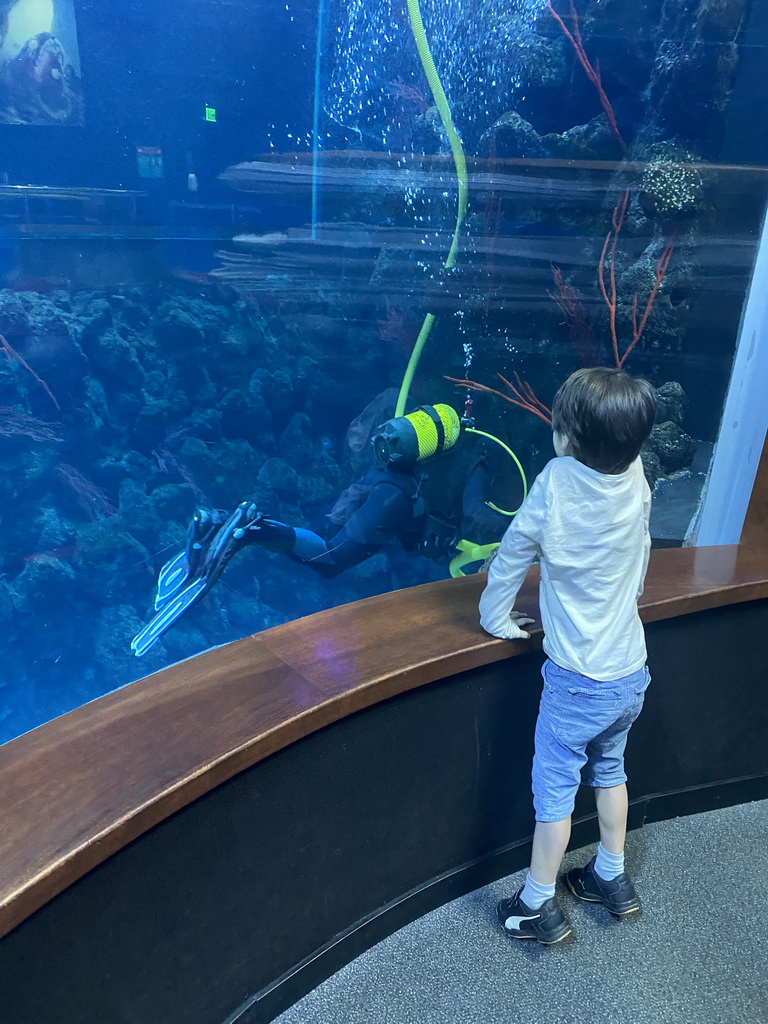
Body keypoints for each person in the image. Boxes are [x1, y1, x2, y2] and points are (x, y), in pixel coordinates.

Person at [478, 366, 656, 945]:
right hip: (630, 670)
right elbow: (644, 545)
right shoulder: (637, 477)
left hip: (576, 680)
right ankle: (611, 876)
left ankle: (536, 903)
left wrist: (495, 618)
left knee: (554, 793)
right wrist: (630, 594)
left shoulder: (556, 481)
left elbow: (512, 554)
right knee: (611, 769)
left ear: (567, 440)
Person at [132, 403, 510, 657]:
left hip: (376, 480)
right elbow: (476, 515)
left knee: (317, 536)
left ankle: (219, 522)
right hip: (395, 502)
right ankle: (252, 530)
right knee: (330, 560)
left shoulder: (422, 442)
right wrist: (520, 525)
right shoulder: (475, 460)